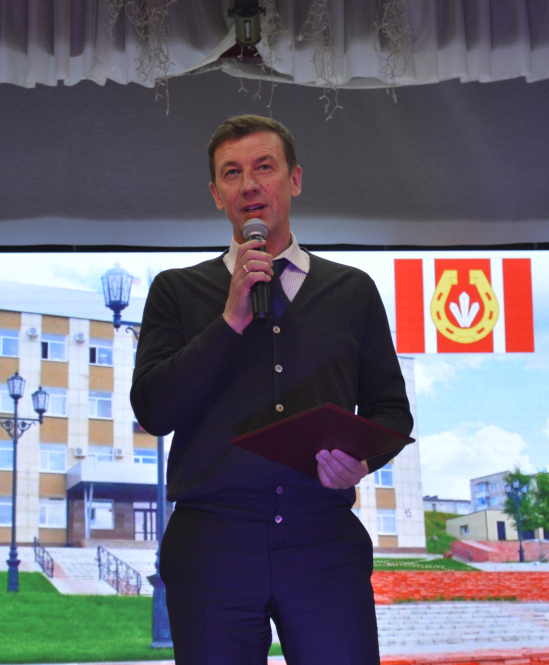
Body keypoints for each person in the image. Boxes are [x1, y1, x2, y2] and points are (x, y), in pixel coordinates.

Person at [130, 114, 413, 665]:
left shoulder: (353, 291)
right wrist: (229, 320)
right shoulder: (176, 291)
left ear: (295, 179)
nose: (249, 185)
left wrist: (362, 460)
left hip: (323, 542)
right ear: (217, 194)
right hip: (211, 547)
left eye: (264, 167)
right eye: (231, 173)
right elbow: (154, 409)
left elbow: (391, 410)